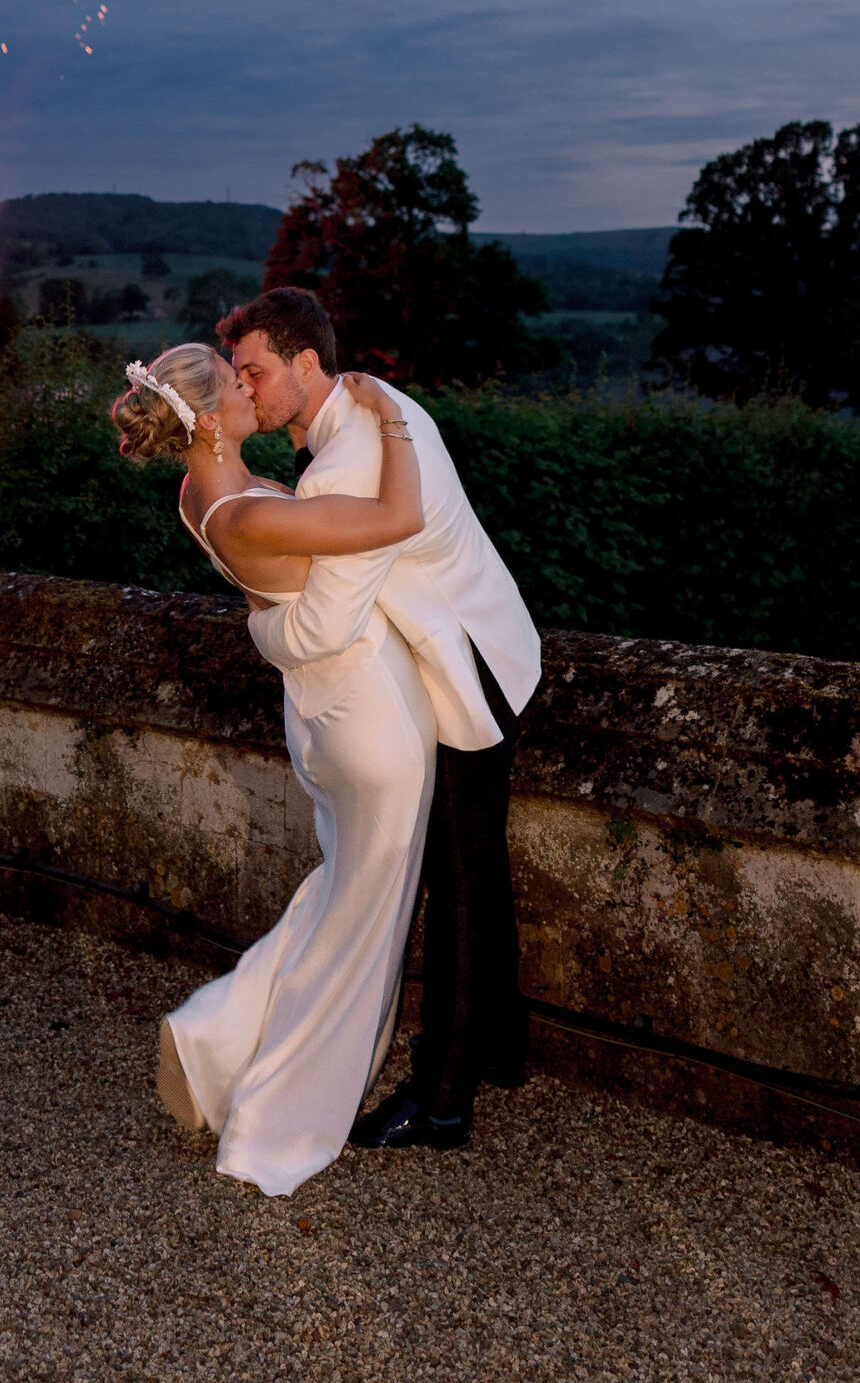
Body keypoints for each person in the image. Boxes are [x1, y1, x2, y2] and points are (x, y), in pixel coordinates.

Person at [111, 341, 437, 1198]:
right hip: (369, 716)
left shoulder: (199, 493)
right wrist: (394, 417)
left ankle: (218, 1038)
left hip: (325, 711)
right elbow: (402, 516)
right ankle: (269, 1107)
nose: (250, 389)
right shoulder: (247, 514)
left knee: (343, 895)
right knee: (363, 921)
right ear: (208, 417)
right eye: (234, 381)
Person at [219, 286, 541, 1152]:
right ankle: (499, 1046)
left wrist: (254, 620)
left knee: (458, 880)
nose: (243, 389)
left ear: (306, 362)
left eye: (254, 372)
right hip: (487, 641)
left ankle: (442, 1101)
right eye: (238, 376)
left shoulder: (346, 462)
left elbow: (324, 626)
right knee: (476, 867)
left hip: (465, 673)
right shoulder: (372, 406)